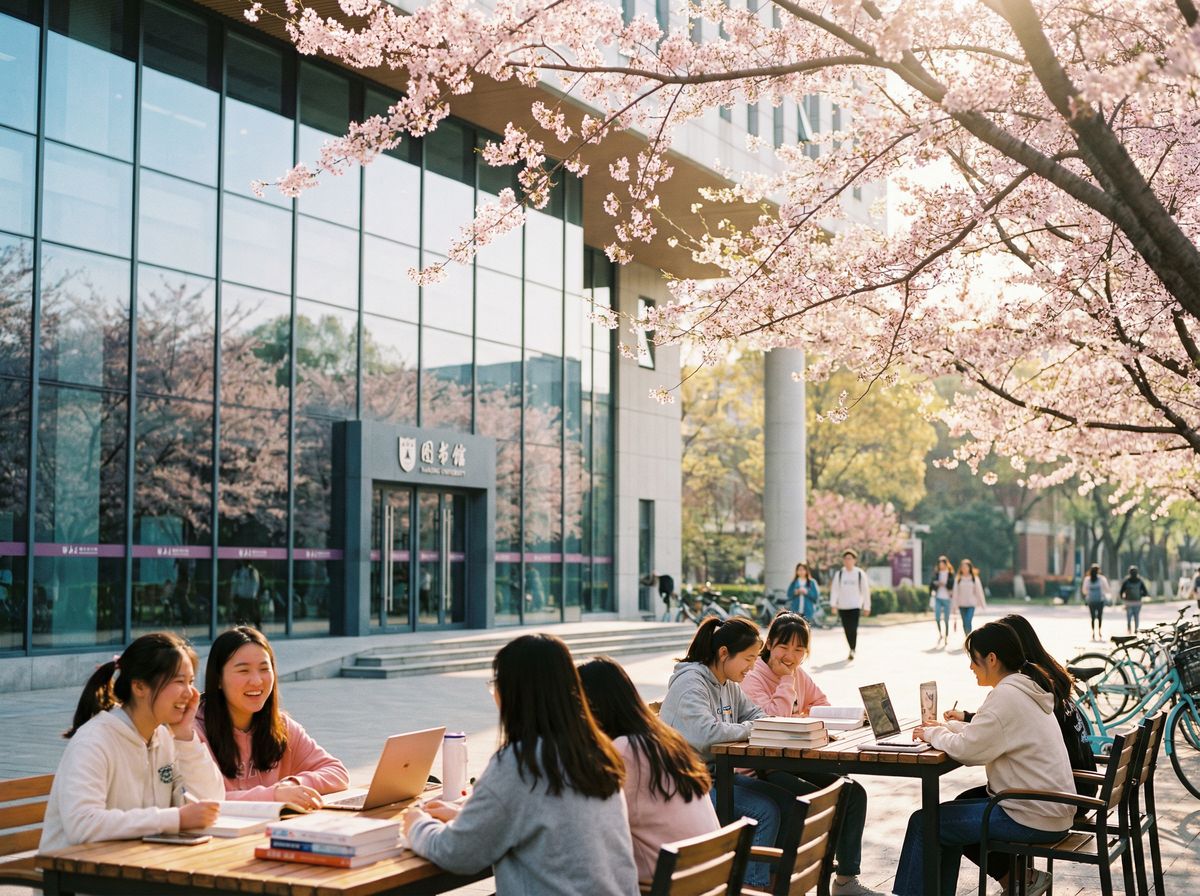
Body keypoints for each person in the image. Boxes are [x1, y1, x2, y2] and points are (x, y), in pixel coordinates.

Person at [403, 634, 639, 896]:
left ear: (513, 692)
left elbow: (457, 853)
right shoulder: (596, 752)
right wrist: (465, 818)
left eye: (497, 684)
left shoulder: (521, 762)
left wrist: (417, 824)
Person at [893, 622, 1074, 896]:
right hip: (1051, 808)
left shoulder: (1006, 695)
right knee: (947, 817)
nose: (970, 667)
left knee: (924, 824)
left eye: (973, 659)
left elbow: (969, 750)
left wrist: (933, 735)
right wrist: (944, 730)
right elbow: (988, 734)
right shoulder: (1025, 688)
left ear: (991, 658)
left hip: (1032, 815)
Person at [39, 632, 224, 851]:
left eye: (191, 681)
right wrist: (174, 819)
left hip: (134, 865)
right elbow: (82, 825)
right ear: (139, 687)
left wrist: (185, 736)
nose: (190, 693)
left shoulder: (164, 737)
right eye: (179, 681)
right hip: (73, 876)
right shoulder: (93, 741)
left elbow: (212, 801)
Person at [741, 613, 876, 894]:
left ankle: (845, 880)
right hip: (764, 766)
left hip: (795, 759)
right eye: (783, 647)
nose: (790, 656)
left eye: (799, 650)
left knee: (852, 791)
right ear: (769, 644)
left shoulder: (799, 674)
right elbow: (772, 723)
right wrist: (787, 682)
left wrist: (801, 712)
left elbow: (821, 704)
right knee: (820, 801)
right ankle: (802, 878)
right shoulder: (754, 676)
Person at [578, 656, 719, 881]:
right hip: (708, 880)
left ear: (592, 707)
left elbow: (590, 826)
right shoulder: (666, 740)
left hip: (669, 885)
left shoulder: (624, 751)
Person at [195, 627, 348, 805]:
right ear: (218, 679)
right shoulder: (193, 732)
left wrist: (293, 784)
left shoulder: (281, 726)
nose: (257, 680)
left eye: (264, 669)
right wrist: (274, 795)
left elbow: (337, 772)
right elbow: (203, 800)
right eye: (243, 671)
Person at [829, 549, 871, 660]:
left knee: (853, 628)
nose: (848, 561)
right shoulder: (840, 574)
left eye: (850, 558)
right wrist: (833, 604)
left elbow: (865, 591)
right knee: (847, 629)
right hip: (843, 606)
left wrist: (867, 606)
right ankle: (851, 647)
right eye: (846, 559)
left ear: (854, 560)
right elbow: (835, 590)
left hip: (855, 606)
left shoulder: (859, 573)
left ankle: (853, 649)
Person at [950, 558, 985, 636]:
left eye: (966, 567)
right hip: (962, 604)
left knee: (968, 620)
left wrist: (982, 604)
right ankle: (967, 636)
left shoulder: (974, 579)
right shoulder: (958, 579)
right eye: (963, 567)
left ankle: (969, 638)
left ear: (970, 568)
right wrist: (954, 606)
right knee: (964, 622)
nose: (964, 569)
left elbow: (979, 592)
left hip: (971, 604)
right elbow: (955, 593)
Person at [928, 555, 955, 648]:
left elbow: (952, 585)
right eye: (939, 564)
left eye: (942, 564)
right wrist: (937, 584)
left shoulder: (950, 574)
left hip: (947, 599)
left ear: (946, 564)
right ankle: (940, 634)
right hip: (938, 597)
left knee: (946, 619)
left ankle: (946, 636)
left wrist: (945, 584)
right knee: (937, 618)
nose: (941, 566)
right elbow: (931, 585)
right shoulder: (936, 574)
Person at [1081, 563, 1111, 640]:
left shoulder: (1087, 579)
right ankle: (1100, 632)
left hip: (1091, 601)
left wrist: (1090, 593)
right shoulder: (1102, 579)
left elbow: (1084, 591)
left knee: (1093, 617)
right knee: (1100, 617)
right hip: (1100, 600)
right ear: (1098, 571)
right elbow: (1107, 589)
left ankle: (1093, 633)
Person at [229, 559, 262, 629]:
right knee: (239, 614)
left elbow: (256, 584)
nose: (245, 563)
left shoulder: (253, 571)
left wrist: (253, 595)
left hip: (250, 597)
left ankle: (258, 627)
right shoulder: (238, 572)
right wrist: (233, 594)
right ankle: (238, 627)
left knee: (253, 613)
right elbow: (234, 584)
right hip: (241, 596)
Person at [1119, 565, 1146, 634]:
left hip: (1128, 603)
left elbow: (1121, 591)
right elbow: (1145, 592)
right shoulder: (1140, 581)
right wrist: (1140, 595)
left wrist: (1123, 598)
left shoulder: (1126, 581)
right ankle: (1136, 630)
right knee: (1136, 617)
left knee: (1129, 617)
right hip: (1137, 602)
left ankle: (1129, 629)